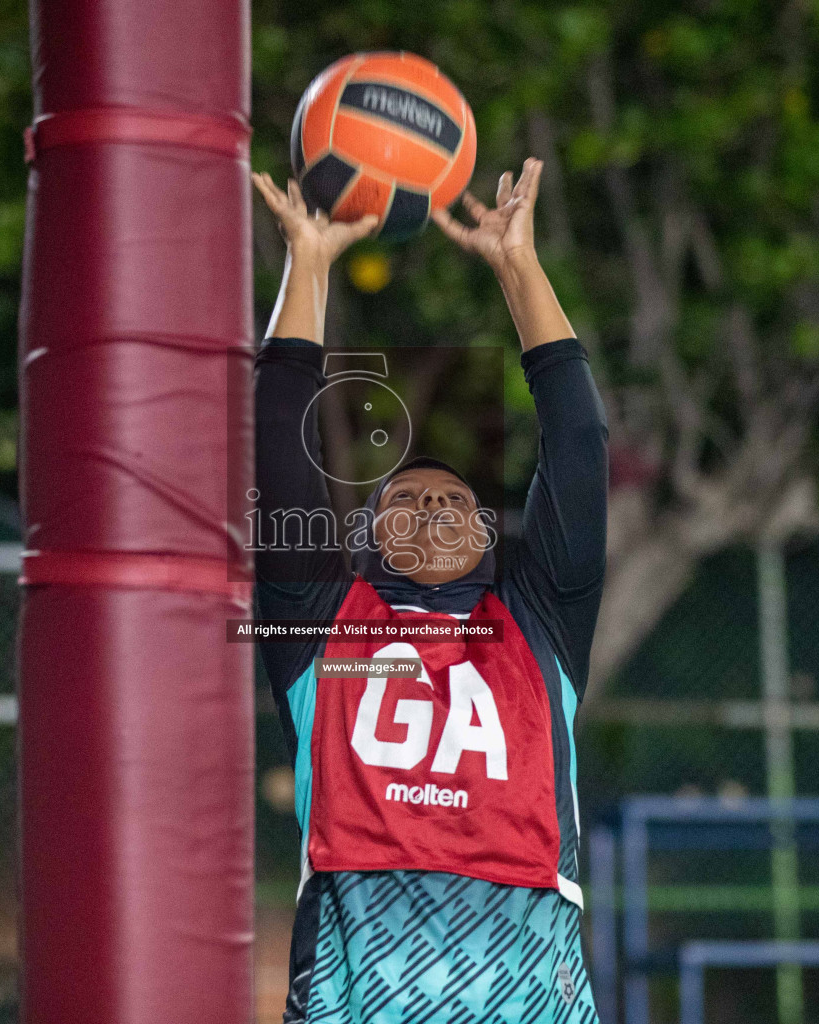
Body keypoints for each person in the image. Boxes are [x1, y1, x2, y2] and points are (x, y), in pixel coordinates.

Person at [252, 158, 608, 1023]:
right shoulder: (322, 625)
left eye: (454, 501)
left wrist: (518, 267)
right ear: (366, 542)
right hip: (358, 983)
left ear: (489, 540)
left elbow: (578, 441)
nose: (432, 510)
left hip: (527, 981)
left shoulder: (538, 622)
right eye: (403, 501)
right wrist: (310, 263)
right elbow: (275, 441)